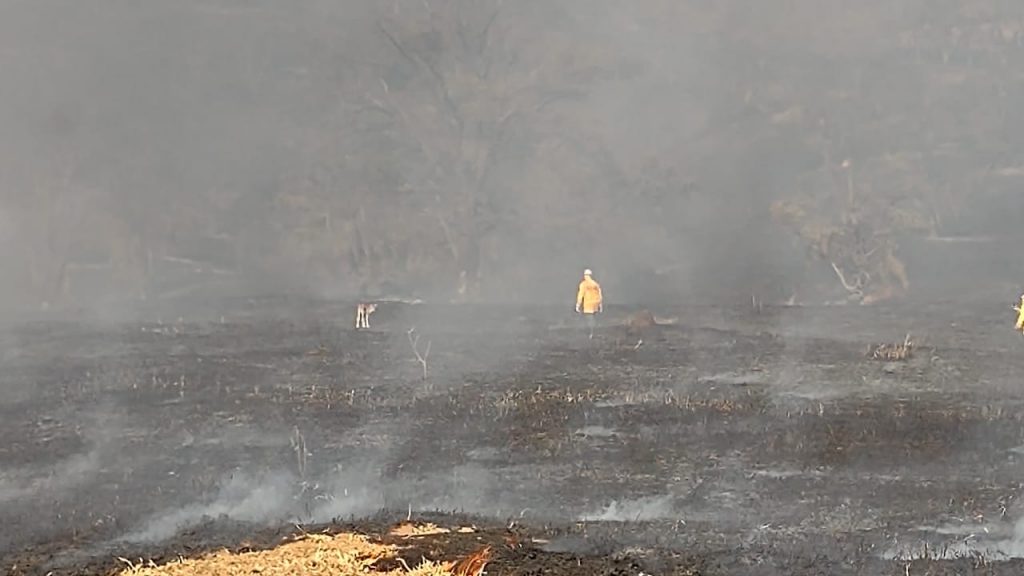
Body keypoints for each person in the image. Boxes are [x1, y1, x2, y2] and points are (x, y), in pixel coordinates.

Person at [575, 268, 603, 338]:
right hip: (595, 303)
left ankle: (591, 333)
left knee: (589, 319)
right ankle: (594, 332)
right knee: (593, 318)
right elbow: (599, 294)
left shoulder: (583, 284)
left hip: (588, 304)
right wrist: (600, 304)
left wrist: (578, 304)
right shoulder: (595, 284)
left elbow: (581, 294)